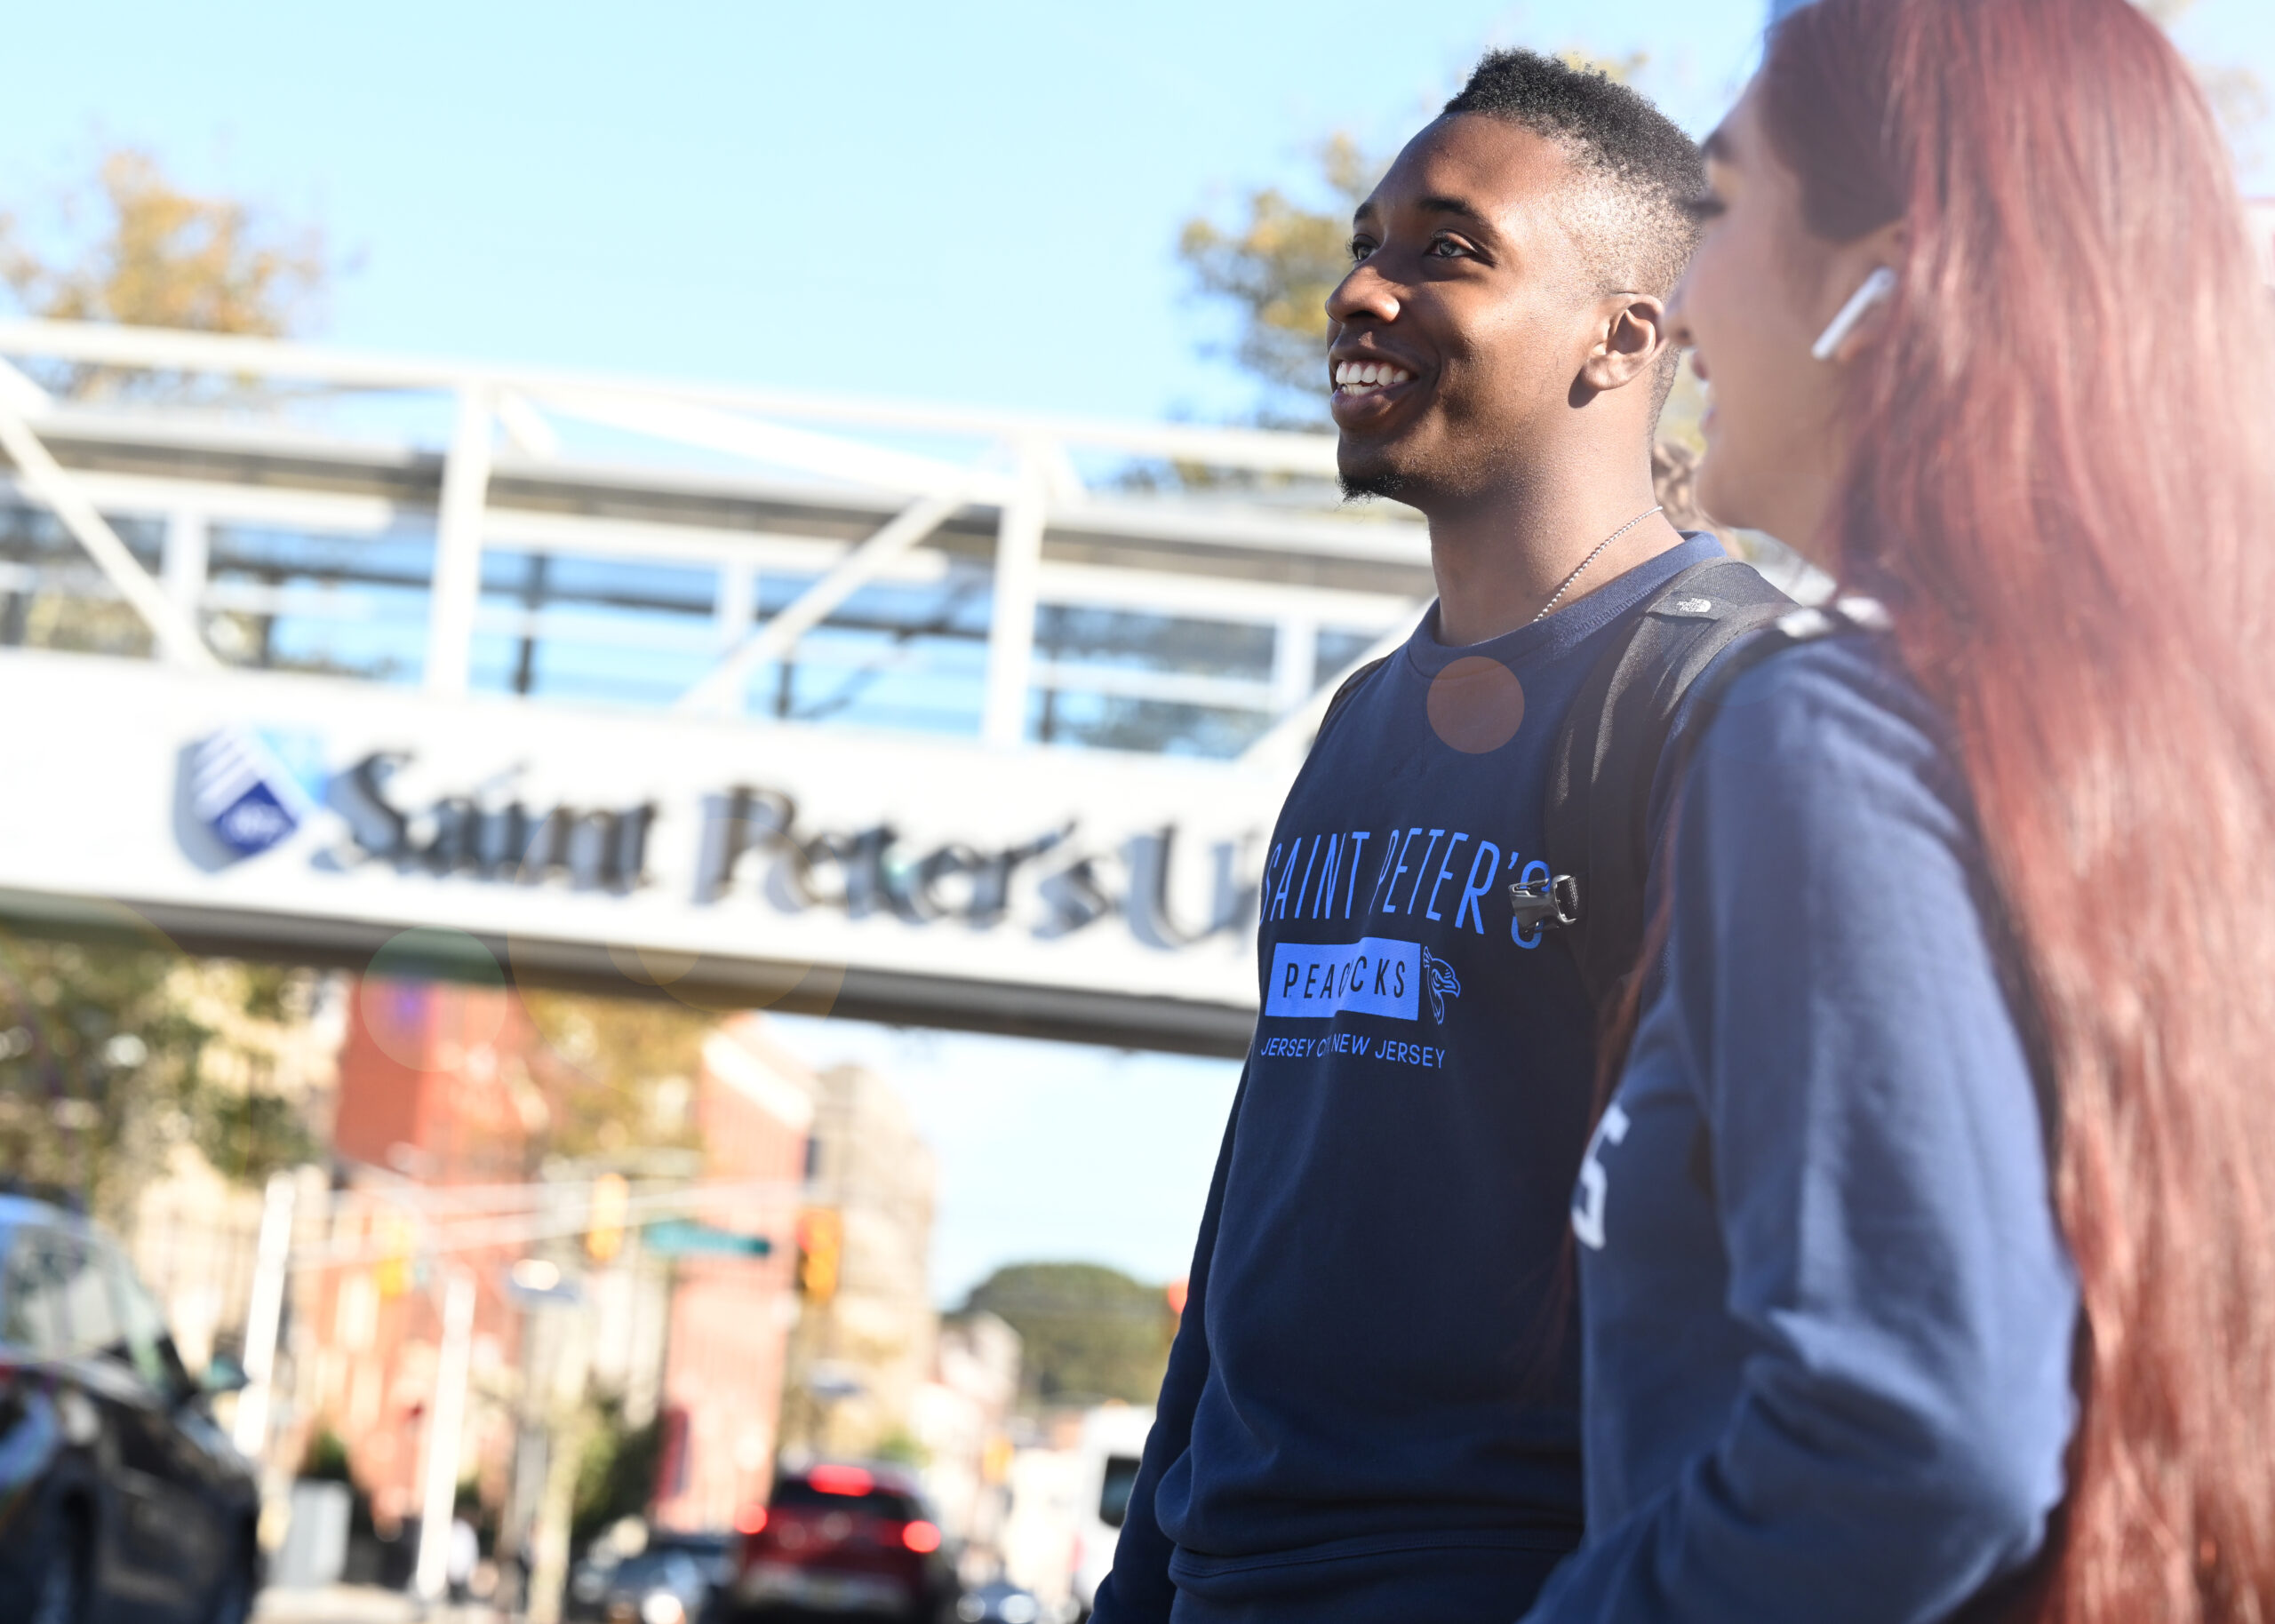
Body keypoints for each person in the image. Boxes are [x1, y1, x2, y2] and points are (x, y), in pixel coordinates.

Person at [1521, 1, 2275, 1620]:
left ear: (1887, 283)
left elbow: (1916, 1433)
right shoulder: (2181, 764)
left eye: (1725, 207)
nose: (1678, 305)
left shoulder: (1834, 738)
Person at [1093, 51, 1720, 1624]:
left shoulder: (1722, 700)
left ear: (1622, 335)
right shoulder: (1365, 720)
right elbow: (1262, 1197)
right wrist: (1143, 1582)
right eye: (1365, 245)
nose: (1361, 292)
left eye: (1448, 250)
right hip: (1230, 1579)